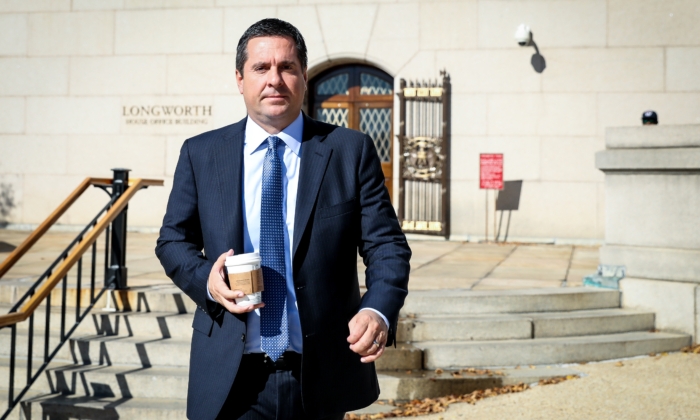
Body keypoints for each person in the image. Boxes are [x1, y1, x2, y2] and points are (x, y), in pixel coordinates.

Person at [155, 18, 411, 420]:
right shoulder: (201, 154)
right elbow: (172, 241)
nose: (274, 79)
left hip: (320, 375)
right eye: (261, 68)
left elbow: (387, 246)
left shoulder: (349, 151)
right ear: (239, 79)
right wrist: (206, 280)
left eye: (287, 67)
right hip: (230, 375)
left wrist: (377, 309)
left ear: (303, 77)